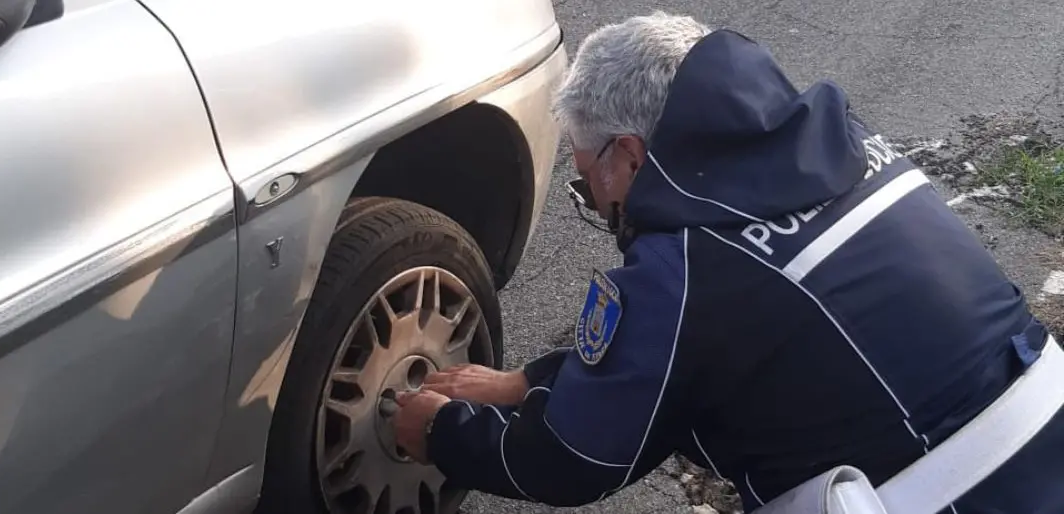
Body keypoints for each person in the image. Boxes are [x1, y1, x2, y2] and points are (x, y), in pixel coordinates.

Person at [390, 11, 1064, 514]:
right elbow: (711, 346)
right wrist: (525, 383)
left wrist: (447, 434)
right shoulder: (848, 145)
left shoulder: (683, 265)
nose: (593, 199)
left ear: (628, 155)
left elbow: (575, 459)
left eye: (587, 173)